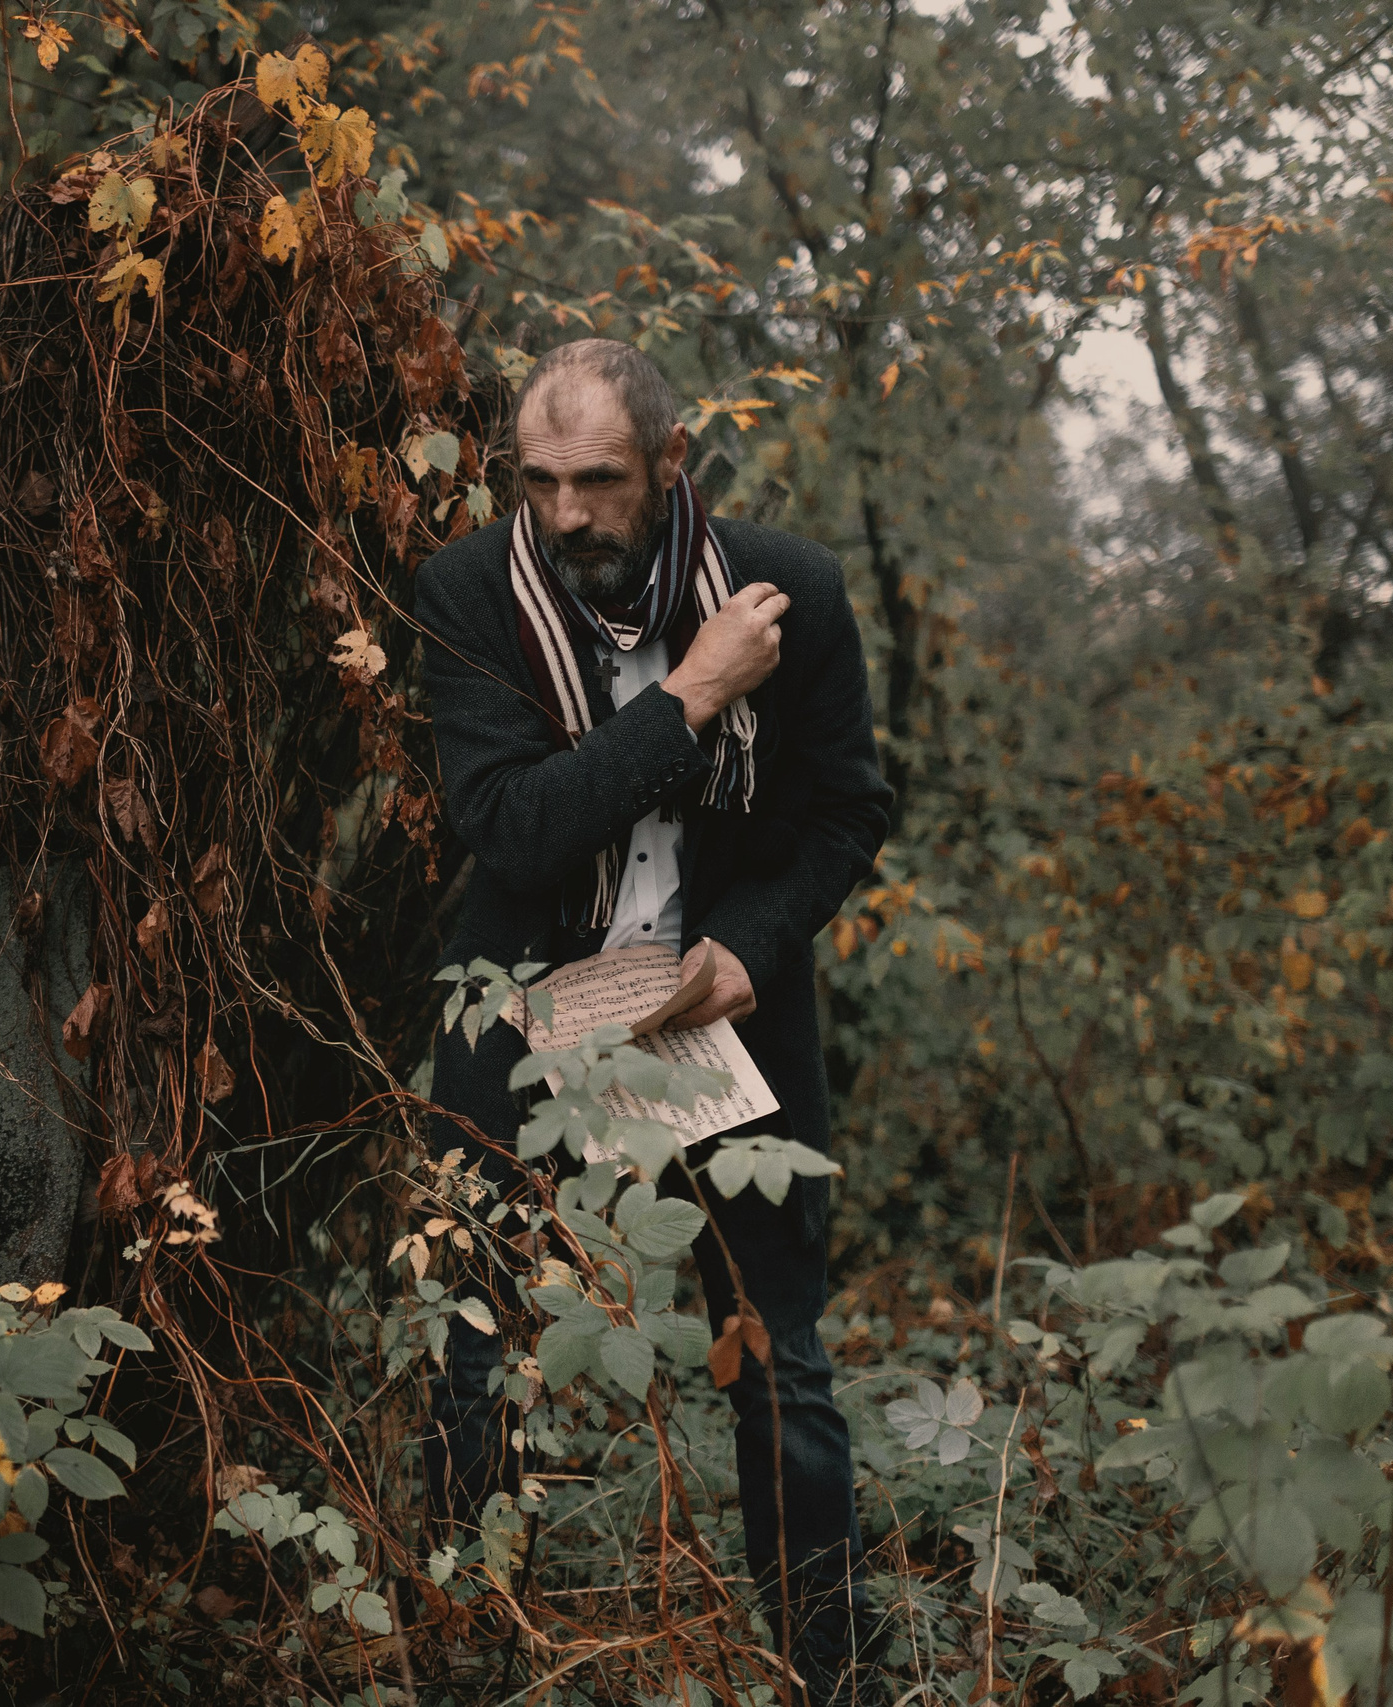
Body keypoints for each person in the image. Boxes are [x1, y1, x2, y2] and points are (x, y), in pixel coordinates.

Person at [410, 339, 894, 1704]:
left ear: (672, 463)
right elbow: (512, 830)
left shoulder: (791, 590)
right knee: (477, 1342)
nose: (566, 514)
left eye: (601, 481)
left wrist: (753, 945)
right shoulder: (470, 592)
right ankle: (468, 1661)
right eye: (539, 481)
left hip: (714, 1012)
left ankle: (826, 1668)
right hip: (528, 1005)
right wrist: (693, 696)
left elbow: (849, 811)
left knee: (778, 1354)